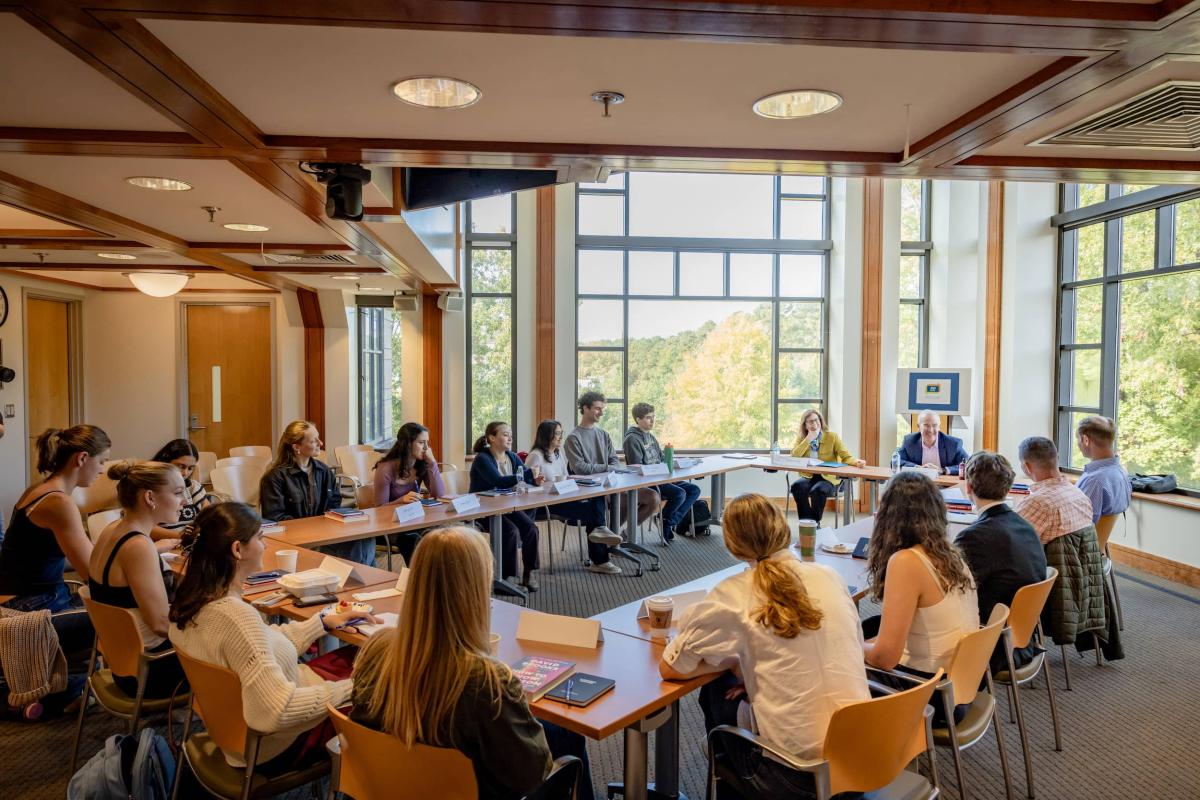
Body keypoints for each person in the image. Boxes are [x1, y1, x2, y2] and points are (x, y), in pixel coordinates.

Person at [352, 526, 595, 800]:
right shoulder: (486, 681)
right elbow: (532, 775)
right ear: (475, 593)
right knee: (567, 736)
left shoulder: (376, 650)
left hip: (393, 788)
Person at [659, 494, 868, 797]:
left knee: (716, 692)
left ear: (732, 545)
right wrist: (755, 673)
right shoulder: (829, 576)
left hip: (799, 780)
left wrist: (734, 663)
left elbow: (671, 666)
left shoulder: (735, 593)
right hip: (863, 762)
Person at [169, 502, 376, 772]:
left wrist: (321, 622)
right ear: (237, 549)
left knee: (358, 658)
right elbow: (276, 711)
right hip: (275, 746)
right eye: (260, 538)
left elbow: (259, 647)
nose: (265, 546)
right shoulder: (236, 618)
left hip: (235, 737)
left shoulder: (191, 604)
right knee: (391, 688)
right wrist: (358, 688)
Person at [862, 472, 979, 723]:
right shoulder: (951, 554)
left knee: (833, 663)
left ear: (889, 517)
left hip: (930, 696)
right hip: (959, 688)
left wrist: (849, 646)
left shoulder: (906, 562)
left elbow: (885, 658)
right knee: (869, 628)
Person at [0, 426, 109, 669]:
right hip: (29, 607)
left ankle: (77, 684)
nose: (102, 470)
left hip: (28, 598)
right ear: (82, 458)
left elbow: (50, 559)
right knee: (121, 620)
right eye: (102, 461)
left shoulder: (39, 490)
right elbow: (93, 572)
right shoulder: (58, 502)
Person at [87, 460, 186, 698]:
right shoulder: (138, 547)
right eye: (178, 493)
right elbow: (161, 625)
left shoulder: (113, 529)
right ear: (149, 497)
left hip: (126, 664)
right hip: (151, 671)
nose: (185, 501)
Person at [955, 452, 1047, 674]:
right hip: (1023, 635)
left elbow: (951, 592)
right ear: (1008, 487)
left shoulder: (973, 538)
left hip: (991, 642)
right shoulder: (1025, 527)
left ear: (968, 488)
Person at [260, 420, 375, 566]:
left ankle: (356, 578)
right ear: (297, 447)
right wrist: (314, 528)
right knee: (357, 552)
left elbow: (334, 505)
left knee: (365, 538)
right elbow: (275, 518)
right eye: (314, 441)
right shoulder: (275, 477)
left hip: (324, 534)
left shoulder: (324, 471)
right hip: (294, 541)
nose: (320, 443)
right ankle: (356, 578)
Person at [525, 419, 621, 575]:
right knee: (593, 515)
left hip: (563, 496)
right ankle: (601, 559)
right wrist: (541, 484)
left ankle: (600, 535)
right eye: (557, 433)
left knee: (595, 496)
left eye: (561, 433)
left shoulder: (557, 453)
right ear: (546, 435)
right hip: (545, 503)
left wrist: (578, 480)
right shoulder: (535, 456)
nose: (561, 436)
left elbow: (565, 477)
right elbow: (528, 485)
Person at [563, 391, 658, 531]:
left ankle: (621, 536)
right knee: (623, 500)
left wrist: (607, 468)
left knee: (653, 498)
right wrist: (607, 468)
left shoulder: (603, 434)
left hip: (613, 484)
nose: (601, 413)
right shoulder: (573, 438)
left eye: (602, 409)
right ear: (585, 408)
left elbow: (615, 462)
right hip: (592, 489)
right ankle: (610, 537)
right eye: (597, 408)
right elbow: (581, 468)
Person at [469, 422, 542, 591]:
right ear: (492, 438)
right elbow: (498, 481)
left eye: (510, 434)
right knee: (510, 531)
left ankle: (529, 573)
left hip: (507, 506)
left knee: (531, 528)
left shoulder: (512, 456)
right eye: (505, 434)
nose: (510, 438)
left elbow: (525, 477)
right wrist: (528, 475)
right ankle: (506, 578)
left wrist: (535, 479)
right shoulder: (483, 458)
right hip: (483, 510)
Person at [623, 402, 700, 541]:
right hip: (648, 482)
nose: (652, 420)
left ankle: (666, 521)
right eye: (647, 417)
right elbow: (637, 467)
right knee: (679, 494)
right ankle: (665, 522)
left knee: (694, 490)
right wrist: (661, 469)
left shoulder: (651, 437)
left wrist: (675, 463)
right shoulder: (632, 439)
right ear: (638, 420)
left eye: (653, 417)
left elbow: (662, 459)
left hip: (662, 478)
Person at [373, 422, 446, 565]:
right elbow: (378, 510)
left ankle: (439, 579)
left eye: (427, 443)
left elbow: (439, 494)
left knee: (442, 534)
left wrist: (432, 463)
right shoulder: (385, 469)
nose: (426, 448)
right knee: (413, 539)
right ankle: (418, 580)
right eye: (421, 443)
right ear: (407, 444)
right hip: (391, 526)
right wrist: (401, 500)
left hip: (414, 520)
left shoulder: (422, 464)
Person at [787, 408, 865, 525]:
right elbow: (794, 456)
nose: (814, 424)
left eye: (816, 420)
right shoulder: (802, 438)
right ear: (805, 425)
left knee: (817, 490)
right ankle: (807, 523)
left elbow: (846, 456)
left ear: (820, 421)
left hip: (830, 478)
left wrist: (856, 462)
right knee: (797, 487)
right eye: (810, 422)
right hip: (810, 477)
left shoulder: (832, 437)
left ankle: (814, 523)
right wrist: (808, 439)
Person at [1015, 436, 1094, 545]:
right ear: (1057, 458)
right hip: (1081, 561)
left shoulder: (1037, 504)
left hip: (1046, 561)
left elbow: (1011, 542)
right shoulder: (1081, 496)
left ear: (1027, 467)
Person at [1075, 415, 1133, 524]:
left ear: (1085, 440)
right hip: (1098, 539)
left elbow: (1077, 524)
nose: (1078, 444)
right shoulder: (1121, 472)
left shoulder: (1094, 481)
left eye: (1078, 439)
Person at [151, 438, 214, 527]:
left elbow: (209, 515)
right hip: (162, 540)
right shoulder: (151, 488)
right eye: (180, 466)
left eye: (190, 468)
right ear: (165, 461)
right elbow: (146, 527)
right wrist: (180, 536)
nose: (185, 473)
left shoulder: (193, 487)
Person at [898, 410, 971, 476]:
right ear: (918, 427)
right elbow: (895, 461)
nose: (930, 430)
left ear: (939, 427)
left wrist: (943, 470)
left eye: (934, 425)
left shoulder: (953, 444)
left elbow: (969, 464)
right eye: (926, 425)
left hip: (944, 485)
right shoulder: (909, 441)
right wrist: (917, 468)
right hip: (918, 484)